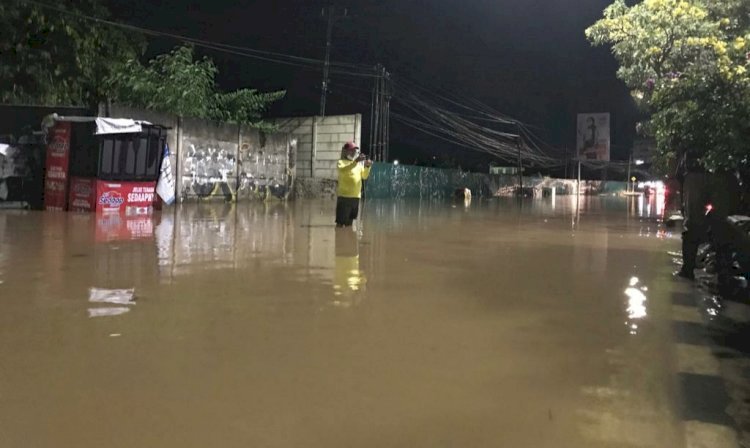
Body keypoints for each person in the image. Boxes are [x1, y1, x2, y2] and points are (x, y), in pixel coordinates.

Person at [675, 148, 740, 280]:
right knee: (720, 224)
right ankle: (723, 272)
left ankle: (690, 270)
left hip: (701, 173)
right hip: (718, 173)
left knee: (695, 225)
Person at [336, 142, 372, 227]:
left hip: (356, 197)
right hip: (344, 197)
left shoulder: (359, 164)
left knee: (350, 223)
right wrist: (356, 161)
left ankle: (348, 239)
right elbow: (344, 170)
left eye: (354, 151)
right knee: (340, 224)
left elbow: (364, 176)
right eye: (351, 150)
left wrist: (367, 167)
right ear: (345, 151)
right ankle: (339, 239)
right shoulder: (341, 162)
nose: (353, 152)